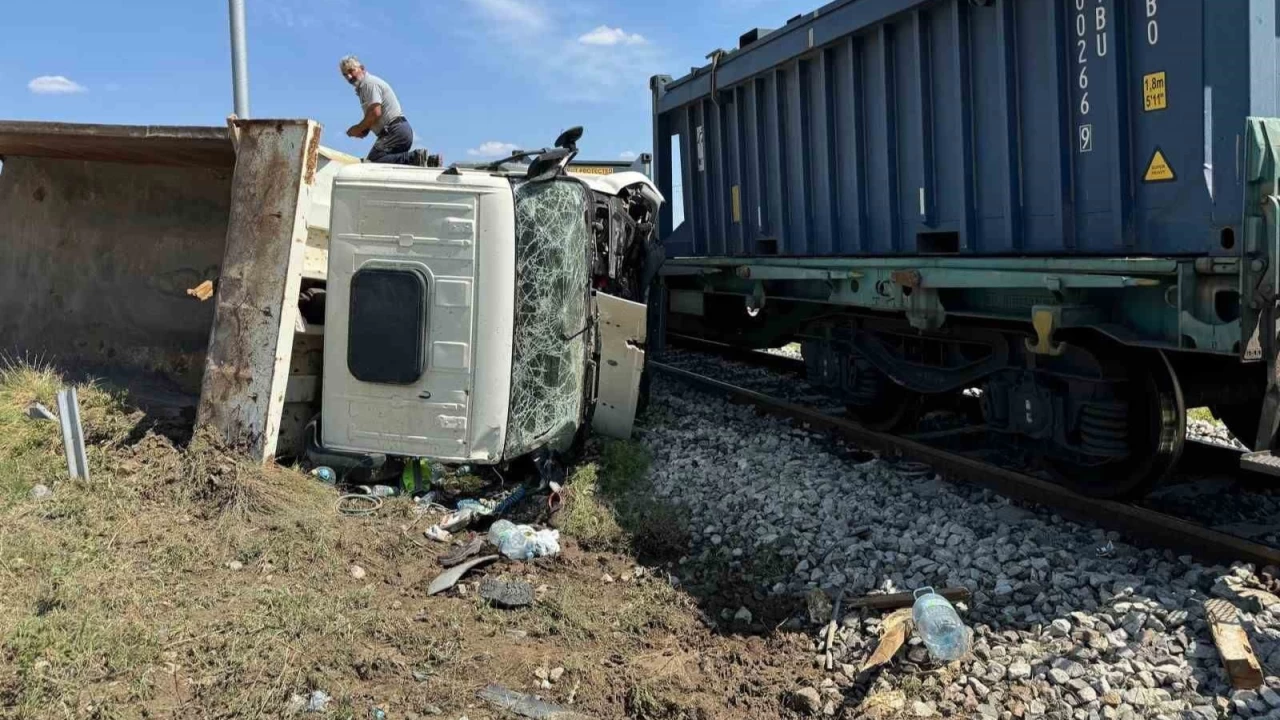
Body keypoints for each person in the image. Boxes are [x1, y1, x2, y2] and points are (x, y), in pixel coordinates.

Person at [339, 55, 428, 166]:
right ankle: (428, 160)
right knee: (388, 166)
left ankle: (416, 157)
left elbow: (375, 113)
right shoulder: (363, 89)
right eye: (345, 75)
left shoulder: (369, 84)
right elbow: (372, 116)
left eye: (351, 71)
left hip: (394, 131)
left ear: (362, 68)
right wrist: (363, 130)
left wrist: (358, 128)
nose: (349, 76)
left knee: (373, 161)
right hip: (398, 130)